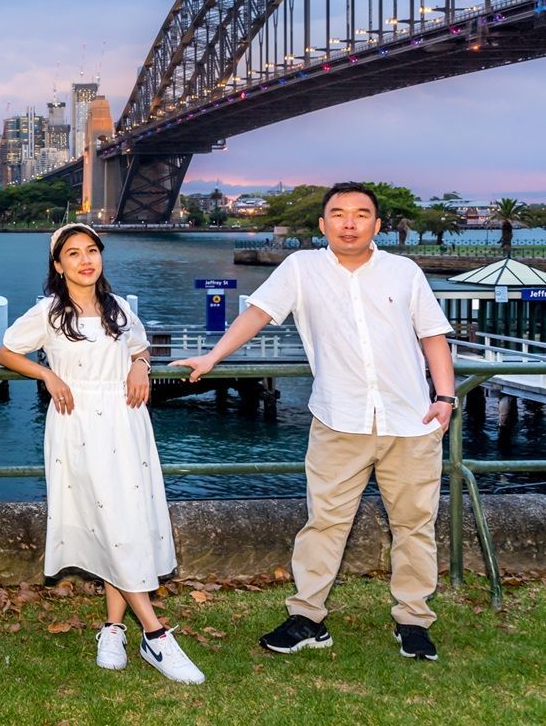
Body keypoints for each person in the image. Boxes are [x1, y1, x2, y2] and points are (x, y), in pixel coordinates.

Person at [174, 182, 455, 661]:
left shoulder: (403, 271)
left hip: (410, 421)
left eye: (361, 214)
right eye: (339, 214)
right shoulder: (301, 268)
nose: (350, 223)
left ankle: (413, 620)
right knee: (325, 523)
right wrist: (213, 357)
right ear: (323, 225)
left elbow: (432, 337)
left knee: (414, 524)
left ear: (377, 225)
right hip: (338, 419)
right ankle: (308, 617)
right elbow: (257, 314)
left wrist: (445, 396)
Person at [0, 224, 205, 685]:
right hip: (77, 421)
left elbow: (141, 346)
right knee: (111, 519)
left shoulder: (120, 307)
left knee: (125, 518)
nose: (85, 260)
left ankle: (113, 628)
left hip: (125, 419)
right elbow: (6, 352)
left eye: (92, 251)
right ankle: (155, 632)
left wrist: (139, 365)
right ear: (58, 265)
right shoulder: (49, 311)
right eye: (73, 253)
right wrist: (48, 377)